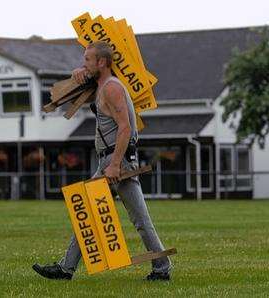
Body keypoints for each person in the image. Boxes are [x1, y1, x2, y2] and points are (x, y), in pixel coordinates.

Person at [32, 41, 171, 281]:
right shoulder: (103, 85)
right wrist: (79, 75)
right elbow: (87, 92)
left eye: (87, 60)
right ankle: (161, 267)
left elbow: (126, 128)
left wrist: (115, 164)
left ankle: (67, 269)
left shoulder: (112, 88)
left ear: (102, 62)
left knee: (107, 214)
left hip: (117, 161)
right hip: (111, 160)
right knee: (97, 212)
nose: (83, 63)